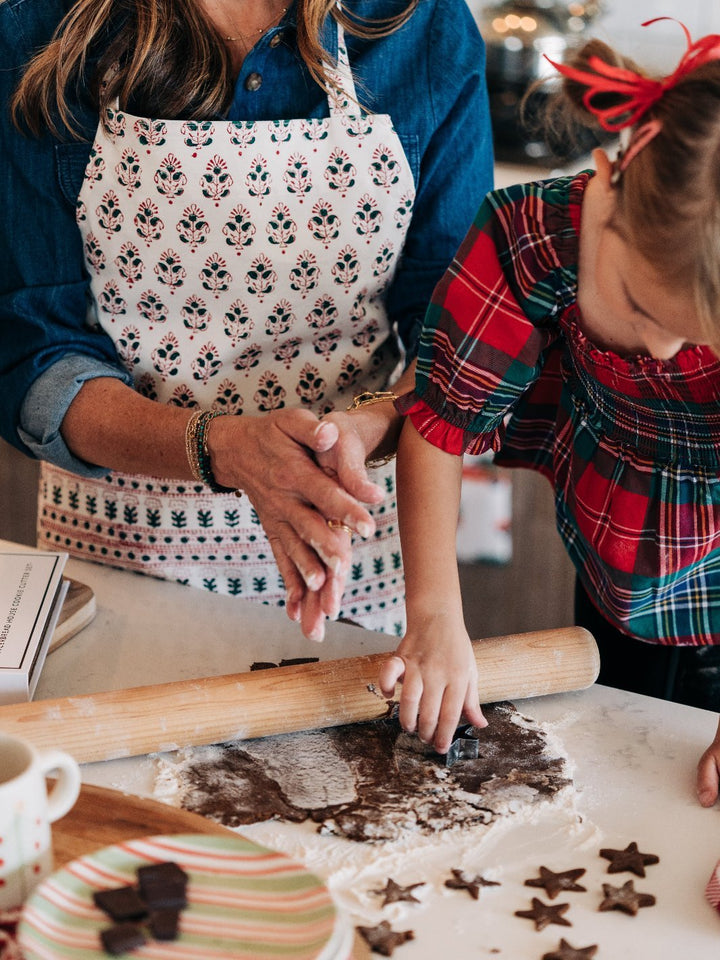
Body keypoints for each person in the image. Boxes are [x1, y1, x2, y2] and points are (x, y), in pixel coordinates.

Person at [0, 0, 493, 642]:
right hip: (122, 559)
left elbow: (458, 343)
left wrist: (365, 427)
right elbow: (34, 354)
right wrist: (226, 449)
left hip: (348, 556)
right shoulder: (43, 31)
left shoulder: (420, 25)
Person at [379, 18, 720, 806]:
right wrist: (434, 616)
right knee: (616, 778)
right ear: (609, 174)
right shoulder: (522, 239)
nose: (664, 353)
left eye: (692, 336)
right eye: (640, 306)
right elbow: (439, 425)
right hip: (610, 578)